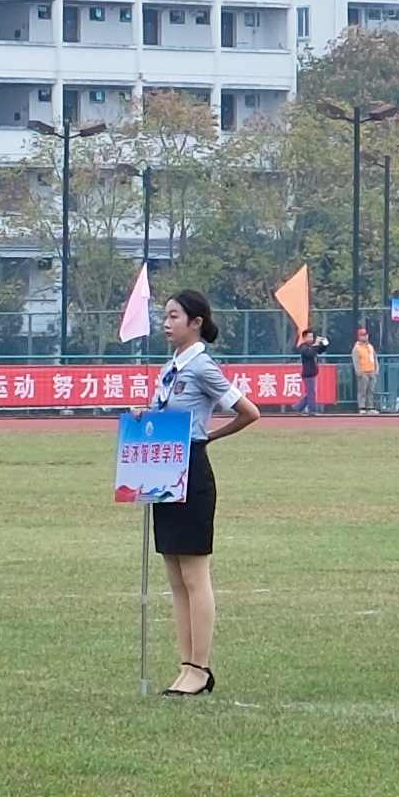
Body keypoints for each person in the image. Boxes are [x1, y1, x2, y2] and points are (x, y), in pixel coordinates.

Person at [141, 284, 257, 696]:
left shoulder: (202, 367)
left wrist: (210, 437)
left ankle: (200, 667)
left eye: (174, 316)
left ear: (196, 322)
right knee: (175, 575)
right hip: (164, 469)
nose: (166, 323)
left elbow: (248, 412)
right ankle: (186, 665)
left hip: (191, 469)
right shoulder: (170, 367)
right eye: (165, 316)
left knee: (194, 573)